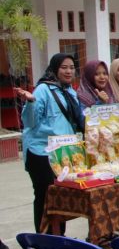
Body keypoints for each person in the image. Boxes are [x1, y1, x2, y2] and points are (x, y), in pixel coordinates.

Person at [17, 53, 84, 232]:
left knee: (60, 195)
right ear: (55, 69)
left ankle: (58, 236)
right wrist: (31, 103)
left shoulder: (70, 91)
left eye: (72, 68)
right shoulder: (43, 90)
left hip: (63, 152)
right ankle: (43, 239)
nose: (69, 71)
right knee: (44, 196)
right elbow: (30, 122)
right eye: (64, 67)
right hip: (41, 152)